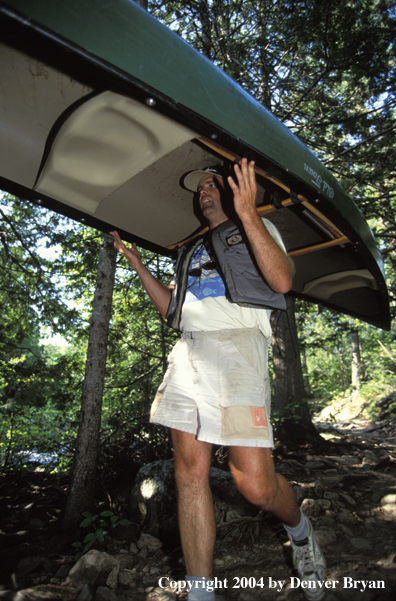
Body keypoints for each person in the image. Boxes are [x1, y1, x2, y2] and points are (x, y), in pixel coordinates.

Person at [110, 158, 326, 601]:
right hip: (190, 350)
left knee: (256, 487)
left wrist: (248, 213)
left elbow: (283, 280)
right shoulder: (192, 249)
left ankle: (300, 530)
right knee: (190, 474)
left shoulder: (256, 228)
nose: (203, 191)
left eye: (212, 184)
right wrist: (136, 263)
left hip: (239, 349)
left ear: (232, 192)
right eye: (200, 188)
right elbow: (174, 311)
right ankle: (201, 593)